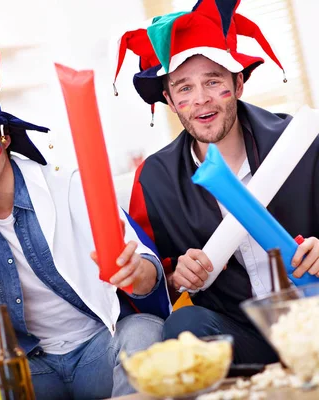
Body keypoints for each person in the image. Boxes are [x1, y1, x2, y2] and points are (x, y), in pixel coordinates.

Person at [0, 25, 171, 399]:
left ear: (3, 137)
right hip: (23, 367)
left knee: (146, 332)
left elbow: (147, 278)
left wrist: (138, 273)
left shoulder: (68, 186)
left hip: (97, 347)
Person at [114, 0, 319, 364]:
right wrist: (178, 275)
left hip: (314, 315)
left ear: (238, 83)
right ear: (170, 101)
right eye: (184, 88)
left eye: (213, 81)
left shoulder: (301, 143)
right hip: (240, 332)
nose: (201, 100)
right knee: (184, 323)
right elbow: (152, 280)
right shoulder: (154, 180)